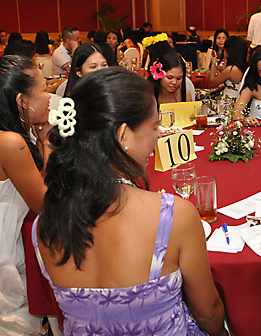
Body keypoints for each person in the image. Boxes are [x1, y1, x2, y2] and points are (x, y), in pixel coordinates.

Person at [34, 68, 227, 335]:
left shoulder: (45, 223)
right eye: (155, 126)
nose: (158, 136)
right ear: (123, 135)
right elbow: (208, 312)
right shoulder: (173, 215)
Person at [0, 55, 51, 335]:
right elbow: (44, 202)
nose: (49, 95)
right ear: (22, 101)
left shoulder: (14, 132)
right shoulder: (10, 142)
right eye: (43, 89)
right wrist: (48, 143)